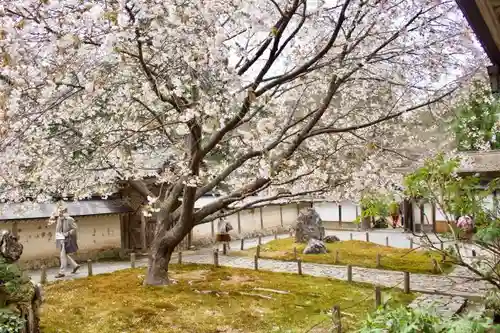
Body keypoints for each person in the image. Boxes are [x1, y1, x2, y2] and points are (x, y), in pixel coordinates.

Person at [49, 207, 80, 278]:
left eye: (61, 212)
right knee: (64, 254)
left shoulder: (70, 219)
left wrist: (67, 233)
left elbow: (75, 229)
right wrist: (57, 239)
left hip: (67, 239)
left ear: (64, 212)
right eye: (59, 212)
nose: (59, 213)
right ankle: (75, 266)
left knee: (62, 256)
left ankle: (62, 272)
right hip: (60, 239)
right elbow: (58, 230)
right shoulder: (59, 219)